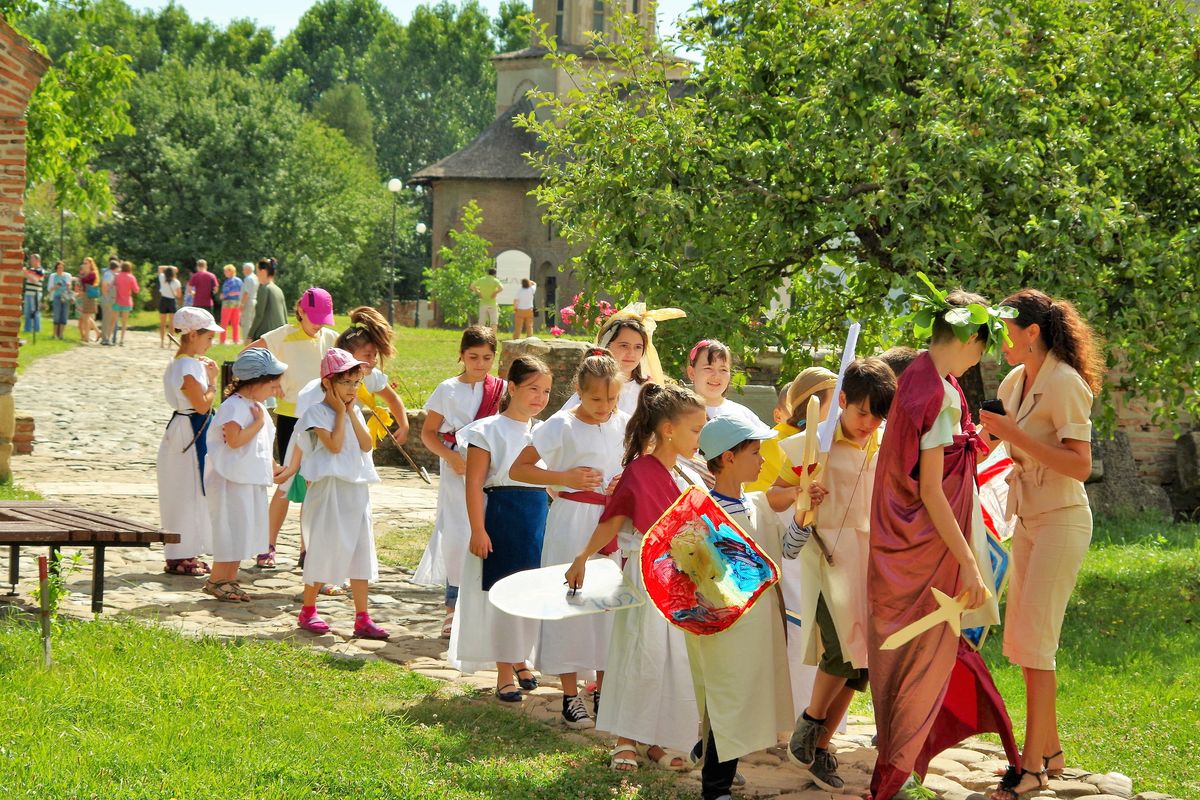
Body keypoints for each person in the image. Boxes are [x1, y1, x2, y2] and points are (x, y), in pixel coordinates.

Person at [867, 289, 1006, 800]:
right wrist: (969, 562)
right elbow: (930, 488)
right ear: (970, 338)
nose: (980, 358)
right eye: (982, 347)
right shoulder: (942, 393)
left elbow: (941, 462)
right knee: (920, 655)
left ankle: (896, 766)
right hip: (925, 543)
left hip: (902, 536)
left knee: (909, 655)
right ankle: (894, 774)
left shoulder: (920, 376)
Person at [981, 289, 1103, 800]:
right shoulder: (1014, 380)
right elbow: (995, 444)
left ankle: (1031, 769)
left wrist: (1013, 434)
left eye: (1006, 330)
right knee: (1021, 642)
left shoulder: (1066, 382)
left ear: (1032, 332)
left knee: (1036, 644)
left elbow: (1080, 465)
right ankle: (1050, 751)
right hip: (1028, 519)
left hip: (1062, 520)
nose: (999, 341)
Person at [565, 382, 706, 773]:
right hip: (647, 577)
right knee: (642, 653)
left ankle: (657, 738)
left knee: (674, 660)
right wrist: (582, 557)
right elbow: (613, 520)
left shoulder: (687, 475)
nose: (700, 438)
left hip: (681, 581)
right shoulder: (640, 472)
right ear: (669, 430)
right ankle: (626, 739)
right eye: (696, 430)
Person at [786, 358, 896, 792]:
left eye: (877, 416)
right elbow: (776, 494)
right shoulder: (816, 443)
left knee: (860, 664)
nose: (868, 423)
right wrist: (803, 492)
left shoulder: (883, 443)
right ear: (843, 401)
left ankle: (819, 746)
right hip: (828, 559)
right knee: (838, 650)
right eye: (862, 412)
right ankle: (810, 722)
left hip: (871, 563)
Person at [509, 349, 628, 728]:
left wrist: (622, 482)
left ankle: (605, 692)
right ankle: (570, 695)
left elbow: (635, 464)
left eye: (612, 398)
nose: (604, 406)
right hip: (571, 522)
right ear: (579, 389)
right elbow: (519, 469)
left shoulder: (624, 423)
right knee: (571, 600)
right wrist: (564, 477)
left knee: (608, 605)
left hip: (611, 522)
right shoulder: (560, 425)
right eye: (596, 399)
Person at [690, 415, 801, 800]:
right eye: (755, 452)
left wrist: (804, 517)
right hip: (725, 628)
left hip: (759, 624)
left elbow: (787, 550)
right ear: (728, 458)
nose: (762, 460)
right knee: (727, 698)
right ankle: (715, 787)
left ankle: (715, 768)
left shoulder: (758, 505)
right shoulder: (702, 512)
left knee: (744, 698)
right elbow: (696, 573)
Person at [450, 356, 552, 700]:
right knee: (504, 593)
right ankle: (504, 672)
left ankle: (521, 658)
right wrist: (478, 530)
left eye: (546, 391)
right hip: (503, 517)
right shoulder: (487, 430)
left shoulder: (544, 431)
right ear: (512, 387)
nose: (540, 397)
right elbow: (474, 483)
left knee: (530, 592)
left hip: (537, 519)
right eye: (533, 388)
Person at [290, 348, 388, 639]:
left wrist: (350, 413)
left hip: (356, 488)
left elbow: (366, 444)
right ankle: (308, 609)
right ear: (328, 383)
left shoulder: (354, 410)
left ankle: (362, 617)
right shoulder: (316, 412)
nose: (352, 389)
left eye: (356, 383)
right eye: (345, 382)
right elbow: (333, 445)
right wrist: (340, 413)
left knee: (360, 550)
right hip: (329, 488)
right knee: (322, 546)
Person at [416, 326, 506, 638]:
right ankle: (452, 608)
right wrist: (450, 456)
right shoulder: (447, 389)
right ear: (462, 355)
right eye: (473, 357)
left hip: (491, 467)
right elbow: (428, 433)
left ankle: (483, 608)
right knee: (457, 534)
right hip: (458, 467)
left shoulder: (501, 389)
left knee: (489, 530)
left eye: (487, 358)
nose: (480, 364)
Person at [244, 287, 338, 568]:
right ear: (300, 311)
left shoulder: (331, 339)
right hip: (291, 419)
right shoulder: (282, 335)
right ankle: (267, 545)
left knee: (314, 484)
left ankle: (307, 550)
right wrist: (273, 381)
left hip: (321, 420)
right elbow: (247, 356)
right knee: (286, 482)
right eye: (315, 318)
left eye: (324, 319)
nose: (319, 324)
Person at [204, 347, 288, 602]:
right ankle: (217, 579)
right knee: (231, 528)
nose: (275, 390)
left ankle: (229, 579)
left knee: (243, 529)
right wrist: (257, 424)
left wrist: (273, 467)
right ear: (256, 382)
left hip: (249, 479)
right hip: (231, 480)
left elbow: (261, 444)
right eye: (272, 385)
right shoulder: (234, 407)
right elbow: (235, 440)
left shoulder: (255, 406)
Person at [157, 307, 223, 577]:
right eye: (208, 338)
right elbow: (201, 405)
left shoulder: (181, 363)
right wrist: (213, 383)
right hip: (189, 432)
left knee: (184, 492)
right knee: (188, 493)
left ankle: (183, 553)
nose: (211, 343)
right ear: (193, 335)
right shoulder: (187, 366)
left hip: (184, 429)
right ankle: (182, 554)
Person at [561, 306, 683, 417]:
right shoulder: (592, 388)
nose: (631, 353)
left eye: (638, 347)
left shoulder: (649, 392)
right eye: (624, 345)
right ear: (607, 346)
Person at [747, 367, 837, 494]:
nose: (841, 410)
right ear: (811, 407)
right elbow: (769, 497)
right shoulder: (778, 443)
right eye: (835, 404)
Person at [687, 339, 761, 424]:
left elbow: (768, 433)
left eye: (723, 370)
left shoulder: (742, 414)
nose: (716, 376)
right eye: (708, 368)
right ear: (692, 373)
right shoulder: (680, 414)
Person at [247, 258, 286, 341]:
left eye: (257, 272)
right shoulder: (278, 289)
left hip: (266, 336)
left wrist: (250, 335)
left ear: (263, 272)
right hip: (280, 335)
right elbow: (285, 315)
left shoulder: (264, 289)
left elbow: (259, 315)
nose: (256, 275)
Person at [111, 261, 140, 347]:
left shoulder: (117, 276)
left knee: (114, 320)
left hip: (116, 300)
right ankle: (121, 340)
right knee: (124, 322)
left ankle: (111, 337)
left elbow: (112, 286)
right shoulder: (131, 277)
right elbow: (136, 290)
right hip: (127, 302)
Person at [75, 257, 100, 343]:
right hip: (85, 296)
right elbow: (81, 282)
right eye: (84, 263)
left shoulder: (92, 273)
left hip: (89, 297)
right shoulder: (86, 273)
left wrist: (79, 277)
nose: (84, 264)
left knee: (86, 317)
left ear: (90, 264)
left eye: (86, 263)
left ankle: (87, 337)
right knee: (86, 317)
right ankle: (93, 334)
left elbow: (85, 280)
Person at [157, 266, 183, 348]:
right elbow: (179, 295)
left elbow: (159, 268)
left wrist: (169, 267)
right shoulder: (176, 282)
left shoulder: (162, 278)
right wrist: (173, 269)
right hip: (171, 302)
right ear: (173, 273)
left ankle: (162, 342)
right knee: (171, 324)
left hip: (163, 300)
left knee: (162, 323)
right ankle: (170, 343)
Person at [46, 260, 73, 341]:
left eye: (61, 267)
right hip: (56, 297)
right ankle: (54, 334)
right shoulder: (53, 276)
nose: (60, 269)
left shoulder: (68, 275)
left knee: (64, 316)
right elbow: (49, 289)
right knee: (56, 316)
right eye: (58, 268)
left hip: (65, 297)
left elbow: (70, 288)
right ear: (56, 268)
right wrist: (55, 287)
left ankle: (61, 335)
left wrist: (69, 287)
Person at [219, 264, 243, 344]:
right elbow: (242, 292)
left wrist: (223, 296)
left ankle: (222, 340)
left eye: (226, 271)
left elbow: (227, 293)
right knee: (235, 323)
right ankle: (235, 340)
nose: (224, 273)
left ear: (230, 271)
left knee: (224, 322)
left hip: (228, 303)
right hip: (237, 303)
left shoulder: (228, 281)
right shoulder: (239, 280)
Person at [22, 253, 44, 338]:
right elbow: (25, 276)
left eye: (32, 259)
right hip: (28, 293)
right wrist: (25, 272)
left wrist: (26, 273)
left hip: (35, 294)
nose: (31, 261)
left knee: (35, 312)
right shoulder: (30, 269)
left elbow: (35, 280)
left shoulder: (41, 270)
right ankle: (27, 329)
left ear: (38, 260)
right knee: (27, 312)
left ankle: (36, 329)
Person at [100, 258, 118, 346]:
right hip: (107, 299)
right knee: (106, 319)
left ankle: (106, 338)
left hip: (110, 298)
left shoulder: (111, 274)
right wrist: (106, 297)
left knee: (109, 319)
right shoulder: (108, 274)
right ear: (115, 267)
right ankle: (104, 339)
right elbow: (104, 285)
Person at [239, 262, 258, 335]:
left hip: (248, 302)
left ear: (248, 269)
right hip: (254, 301)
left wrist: (242, 304)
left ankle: (246, 339)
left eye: (244, 269)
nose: (243, 271)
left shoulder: (248, 278)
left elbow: (246, 293)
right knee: (252, 322)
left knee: (246, 323)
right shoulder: (256, 277)